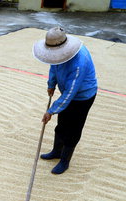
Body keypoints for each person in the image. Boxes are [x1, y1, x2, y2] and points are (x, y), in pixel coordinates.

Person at [32, 27, 98, 174]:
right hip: (68, 93)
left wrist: (51, 111)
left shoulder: (79, 63)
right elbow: (53, 66)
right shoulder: (58, 54)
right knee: (62, 124)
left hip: (82, 97)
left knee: (73, 129)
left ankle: (65, 161)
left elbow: (70, 93)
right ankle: (56, 151)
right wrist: (51, 84)